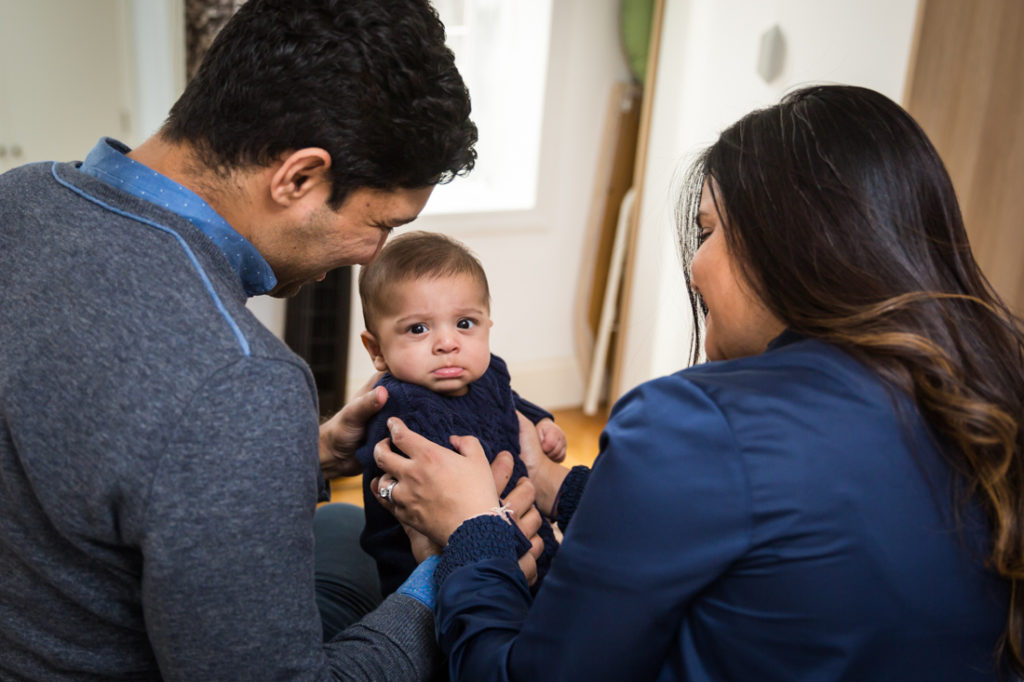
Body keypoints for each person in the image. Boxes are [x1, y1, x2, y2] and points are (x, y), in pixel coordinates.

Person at [368, 84, 1024, 680]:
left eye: (706, 231)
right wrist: (562, 487)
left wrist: (473, 529)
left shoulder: (694, 421)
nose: (693, 267)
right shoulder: (986, 388)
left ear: (786, 243)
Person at [0, 1, 541, 679]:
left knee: (345, 528)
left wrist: (304, 452)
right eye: (381, 225)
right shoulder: (239, 378)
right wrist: (453, 566)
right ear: (299, 178)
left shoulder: (18, 197)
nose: (372, 256)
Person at [353, 231, 565, 596]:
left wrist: (541, 419)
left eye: (465, 323)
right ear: (377, 350)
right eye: (418, 329)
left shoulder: (489, 371)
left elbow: (507, 397)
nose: (448, 343)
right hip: (429, 569)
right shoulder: (403, 406)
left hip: (516, 524)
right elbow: (439, 496)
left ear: (487, 327)